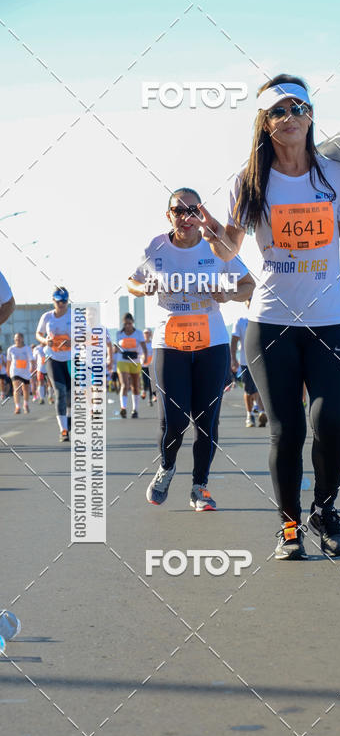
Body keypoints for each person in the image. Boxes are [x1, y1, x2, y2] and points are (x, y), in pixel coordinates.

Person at [193, 74, 340, 558]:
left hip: (330, 322)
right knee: (287, 430)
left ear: (310, 115)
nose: (290, 117)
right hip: (271, 324)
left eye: (298, 108)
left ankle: (325, 510)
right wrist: (212, 230)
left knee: (332, 422)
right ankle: (288, 526)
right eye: (278, 111)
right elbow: (228, 251)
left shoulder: (334, 175)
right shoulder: (250, 180)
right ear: (265, 123)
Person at [128, 187, 253, 511]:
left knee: (206, 421)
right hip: (170, 343)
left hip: (212, 343)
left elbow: (248, 285)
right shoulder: (156, 247)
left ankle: (200, 487)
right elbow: (131, 281)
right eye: (178, 211)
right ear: (168, 215)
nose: (186, 217)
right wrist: (144, 288)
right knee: (174, 420)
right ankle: (167, 467)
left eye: (193, 210)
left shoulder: (217, 246)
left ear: (201, 214)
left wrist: (228, 294)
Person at [36, 286, 71, 442]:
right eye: (58, 301)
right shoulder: (47, 317)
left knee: (70, 394)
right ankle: (63, 430)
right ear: (53, 301)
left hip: (71, 359)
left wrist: (73, 341)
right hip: (52, 357)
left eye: (64, 301)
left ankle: (68, 417)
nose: (61, 304)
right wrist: (45, 341)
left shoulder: (75, 316)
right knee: (59, 391)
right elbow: (38, 334)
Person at [231, 300, 267, 427]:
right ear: (246, 303)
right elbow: (234, 341)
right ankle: (249, 415)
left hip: (262, 361)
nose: (250, 302)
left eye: (252, 299)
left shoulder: (263, 318)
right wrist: (233, 359)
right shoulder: (241, 321)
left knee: (262, 388)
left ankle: (262, 412)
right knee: (248, 390)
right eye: (248, 300)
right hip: (246, 362)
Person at [113, 313, 146, 419]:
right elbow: (116, 348)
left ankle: (135, 410)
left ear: (133, 323)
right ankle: (123, 407)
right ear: (123, 323)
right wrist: (116, 350)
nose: (128, 326)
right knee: (124, 384)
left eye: (130, 323)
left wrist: (145, 357)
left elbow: (143, 346)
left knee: (135, 386)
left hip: (135, 361)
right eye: (126, 324)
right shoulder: (119, 334)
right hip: (122, 360)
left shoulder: (138, 333)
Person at [7, 333, 33, 414]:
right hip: (15, 371)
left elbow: (32, 360)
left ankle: (25, 404)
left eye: (18, 338)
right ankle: (17, 407)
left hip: (25, 371)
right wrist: (8, 371)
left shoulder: (27, 348)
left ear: (22, 339)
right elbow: (9, 361)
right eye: (15, 339)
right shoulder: (11, 349)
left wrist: (32, 367)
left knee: (25, 389)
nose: (17, 340)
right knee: (16, 388)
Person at [141, 328, 156, 405]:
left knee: (151, 382)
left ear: (150, 334)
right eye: (145, 333)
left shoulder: (153, 343)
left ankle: (150, 399)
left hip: (151, 365)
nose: (146, 334)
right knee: (144, 381)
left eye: (148, 333)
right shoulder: (141, 343)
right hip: (143, 365)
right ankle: (143, 391)